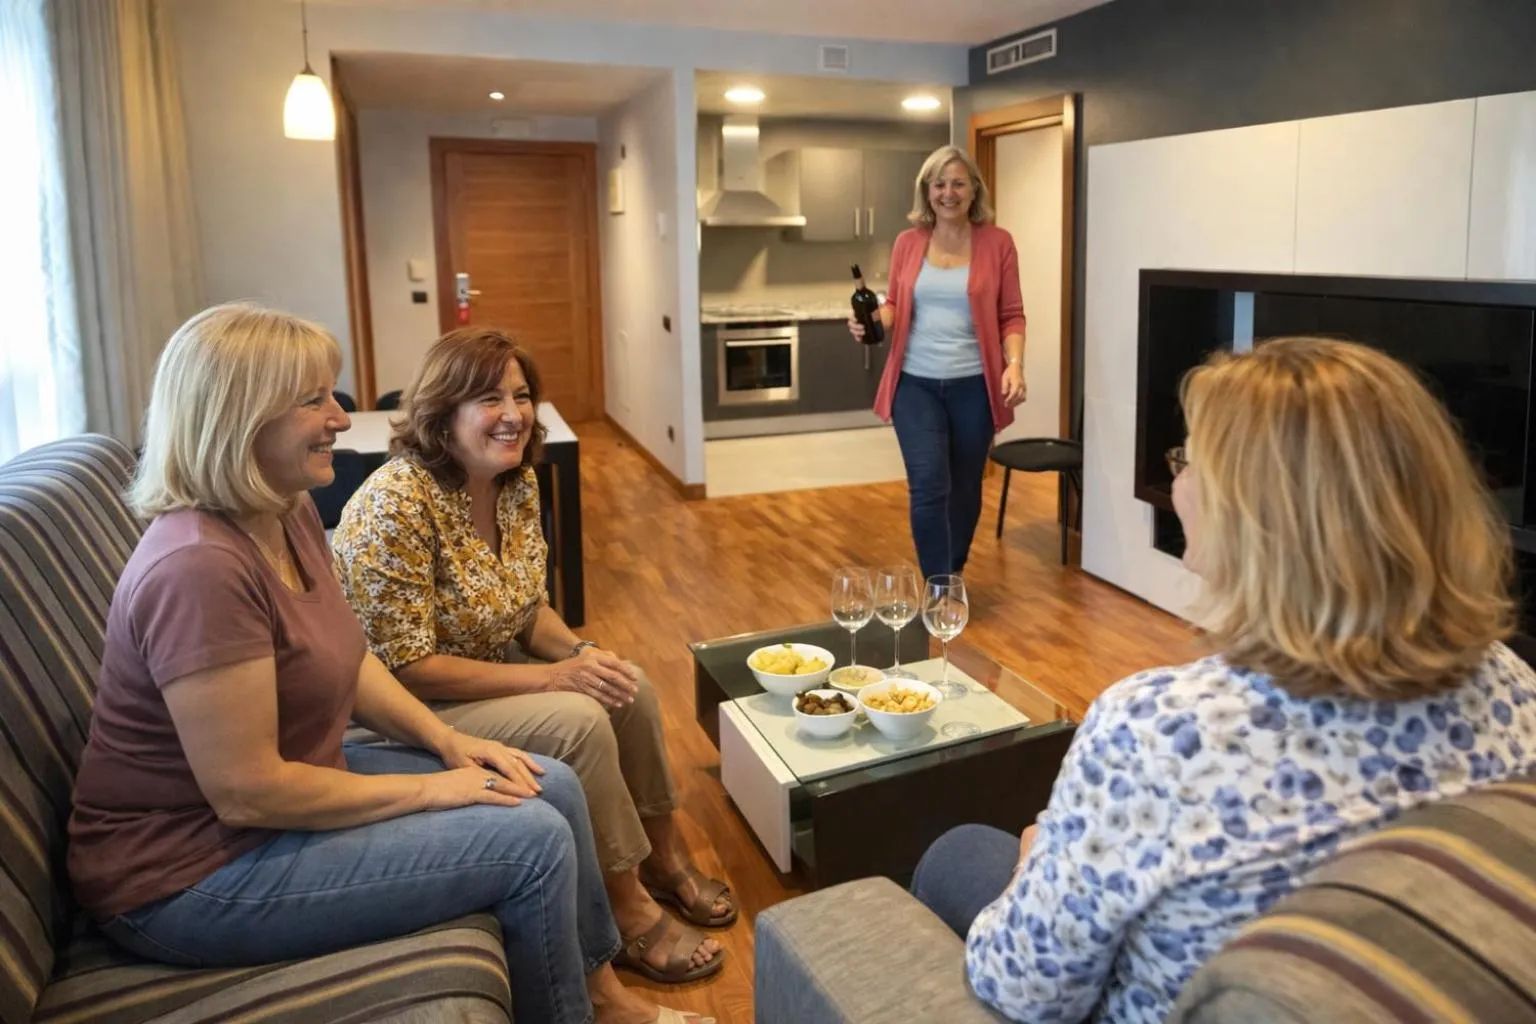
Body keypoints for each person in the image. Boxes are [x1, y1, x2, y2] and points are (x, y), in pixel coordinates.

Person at [67, 302, 709, 1024]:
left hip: (279, 804)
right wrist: (433, 791)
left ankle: (601, 996)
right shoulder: (198, 568)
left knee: (548, 782)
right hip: (191, 875)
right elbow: (249, 794)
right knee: (530, 843)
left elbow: (355, 663)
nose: (341, 418)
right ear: (238, 417)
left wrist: (451, 743)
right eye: (315, 400)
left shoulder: (287, 511)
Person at [909, 337, 1536, 1023]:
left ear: (1252, 518)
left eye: (1186, 462)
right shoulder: (1510, 682)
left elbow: (1024, 988)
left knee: (961, 853)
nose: (1175, 483)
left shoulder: (1162, 732)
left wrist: (1033, 863)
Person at [331, 328, 730, 987]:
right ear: (441, 410)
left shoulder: (513, 485)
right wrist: (553, 675)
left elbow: (527, 608)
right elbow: (406, 667)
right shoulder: (393, 503)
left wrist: (580, 652)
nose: (514, 414)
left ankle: (665, 858)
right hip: (408, 711)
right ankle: (627, 907)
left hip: (487, 675)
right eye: (489, 398)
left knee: (624, 684)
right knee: (578, 717)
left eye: (522, 395)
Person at [848, 144, 1027, 582]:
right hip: (916, 384)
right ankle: (938, 587)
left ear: (973, 190)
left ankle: (954, 569)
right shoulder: (908, 243)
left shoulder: (997, 242)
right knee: (929, 483)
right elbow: (894, 304)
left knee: (965, 487)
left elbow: (1011, 313)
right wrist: (873, 320)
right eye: (939, 184)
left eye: (958, 183)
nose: (949, 192)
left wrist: (1015, 364)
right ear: (927, 191)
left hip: (973, 387)